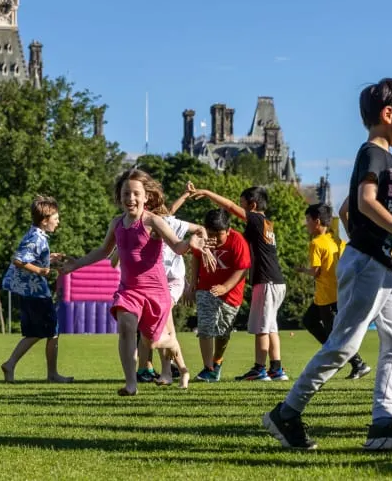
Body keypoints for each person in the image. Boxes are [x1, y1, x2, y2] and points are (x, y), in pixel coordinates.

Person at [262, 78, 392, 451]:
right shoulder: (374, 153)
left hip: (384, 267)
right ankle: (287, 412)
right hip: (368, 267)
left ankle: (382, 425)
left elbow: (347, 209)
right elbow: (364, 201)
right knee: (343, 346)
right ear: (388, 115)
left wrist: (384, 238)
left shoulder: (384, 158)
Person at [60, 169, 206, 396]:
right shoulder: (116, 223)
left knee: (152, 343)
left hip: (156, 292)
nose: (131, 199)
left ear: (146, 197)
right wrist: (75, 265)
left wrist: (191, 243)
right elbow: (103, 251)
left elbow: (177, 246)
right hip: (129, 290)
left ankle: (172, 346)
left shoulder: (154, 221)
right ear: (120, 197)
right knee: (126, 327)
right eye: (126, 193)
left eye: (136, 194)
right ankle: (131, 384)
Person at [185, 183, 289, 381]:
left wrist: (207, 191)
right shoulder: (267, 224)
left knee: (262, 328)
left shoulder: (257, 219)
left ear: (252, 205)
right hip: (276, 281)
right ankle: (276, 368)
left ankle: (260, 369)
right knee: (271, 326)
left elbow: (230, 207)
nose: (239, 208)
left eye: (243, 204)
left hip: (266, 281)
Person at [135, 188, 214, 388]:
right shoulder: (146, 224)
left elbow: (200, 229)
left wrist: (204, 250)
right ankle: (175, 371)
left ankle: (170, 371)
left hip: (172, 282)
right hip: (157, 282)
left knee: (162, 327)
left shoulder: (170, 223)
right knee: (166, 330)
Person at [0, 195, 74, 384]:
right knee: (49, 331)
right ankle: (50, 374)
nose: (58, 222)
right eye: (56, 219)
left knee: (41, 331)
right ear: (45, 220)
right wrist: (41, 269)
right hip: (35, 293)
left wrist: (49, 259)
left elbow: (30, 258)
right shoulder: (36, 237)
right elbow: (18, 260)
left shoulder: (37, 235)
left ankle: (15, 365)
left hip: (31, 291)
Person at [298, 203, 371, 380]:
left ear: (317, 221)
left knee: (335, 334)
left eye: (308, 220)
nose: (306, 223)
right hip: (338, 292)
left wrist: (302, 270)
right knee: (309, 320)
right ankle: (336, 356)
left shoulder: (316, 243)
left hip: (327, 295)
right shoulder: (337, 240)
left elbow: (316, 272)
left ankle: (357, 363)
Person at [189, 209, 251, 383]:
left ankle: (217, 362)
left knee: (223, 333)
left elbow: (242, 269)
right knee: (205, 326)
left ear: (228, 230)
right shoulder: (203, 239)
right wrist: (193, 281)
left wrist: (225, 287)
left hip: (231, 295)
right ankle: (208, 368)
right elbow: (196, 257)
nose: (214, 239)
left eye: (219, 235)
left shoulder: (238, 241)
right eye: (211, 234)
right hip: (206, 289)